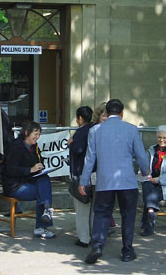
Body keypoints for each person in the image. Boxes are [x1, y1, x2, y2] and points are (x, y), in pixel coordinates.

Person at [79, 99, 149, 264]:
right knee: (128, 215)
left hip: (104, 181)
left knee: (101, 214)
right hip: (127, 181)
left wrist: (84, 181)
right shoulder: (132, 130)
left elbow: (90, 159)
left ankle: (97, 246)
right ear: (122, 113)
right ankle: (127, 251)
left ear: (107, 113)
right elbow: (140, 155)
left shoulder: (95, 130)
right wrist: (146, 169)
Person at [1, 121, 56, 239]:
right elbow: (11, 170)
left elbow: (38, 162)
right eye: (35, 134)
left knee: (44, 179)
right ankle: (42, 226)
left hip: (28, 180)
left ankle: (46, 213)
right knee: (42, 192)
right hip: (14, 185)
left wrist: (41, 168)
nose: (37, 137)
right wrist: (30, 170)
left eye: (39, 134)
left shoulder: (34, 147)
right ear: (26, 133)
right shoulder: (15, 147)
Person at [68, 106, 94, 247]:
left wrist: (71, 144)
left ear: (80, 119)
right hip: (96, 173)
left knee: (82, 207)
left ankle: (84, 238)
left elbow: (78, 149)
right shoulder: (96, 130)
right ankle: (94, 234)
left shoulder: (80, 132)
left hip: (82, 172)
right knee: (93, 209)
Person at [92, 102, 116, 231]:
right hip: (97, 170)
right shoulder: (94, 131)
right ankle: (103, 225)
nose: (106, 119)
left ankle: (107, 222)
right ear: (98, 116)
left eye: (108, 116)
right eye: (104, 116)